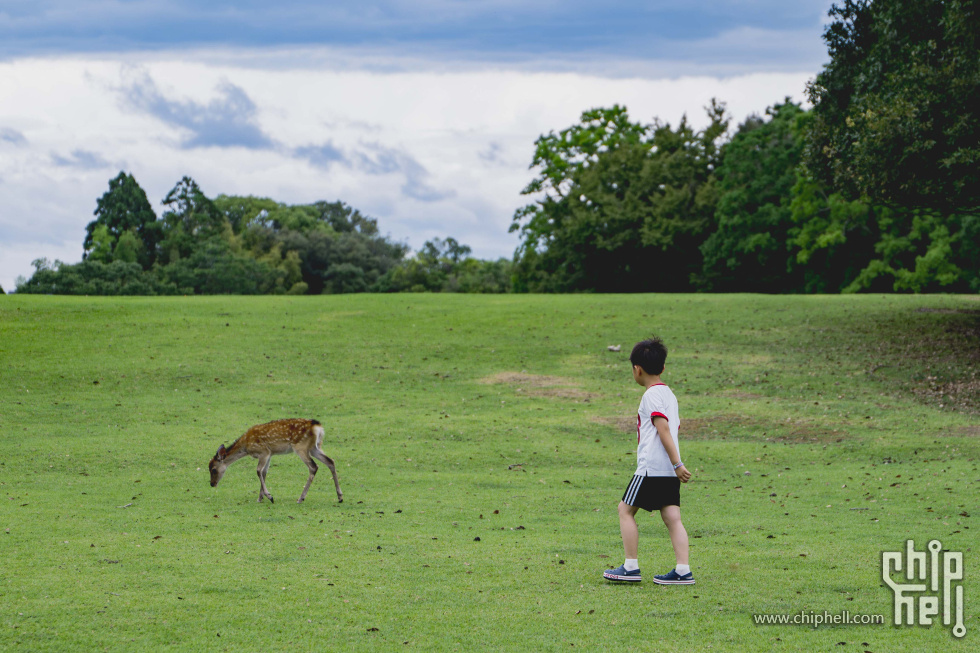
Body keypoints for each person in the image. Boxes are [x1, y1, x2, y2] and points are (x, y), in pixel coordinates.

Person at [603, 337, 694, 585]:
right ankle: (683, 570)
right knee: (672, 518)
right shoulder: (669, 395)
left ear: (637, 369)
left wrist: (678, 463)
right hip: (667, 471)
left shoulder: (651, 396)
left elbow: (662, 428)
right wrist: (674, 466)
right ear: (662, 368)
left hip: (651, 468)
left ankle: (631, 566)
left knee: (625, 510)